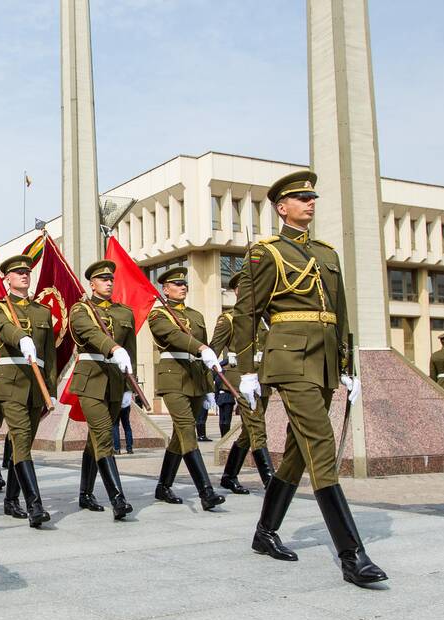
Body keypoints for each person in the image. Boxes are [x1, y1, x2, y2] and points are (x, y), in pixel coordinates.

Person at [231, 169, 386, 587]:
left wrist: (347, 366)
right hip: (290, 358)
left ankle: (264, 533)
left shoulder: (327, 253)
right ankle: (353, 555)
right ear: (283, 208)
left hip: (323, 361)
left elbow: (341, 311)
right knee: (321, 444)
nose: (310, 203)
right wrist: (247, 370)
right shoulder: (267, 253)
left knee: (298, 452)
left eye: (313, 198)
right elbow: (246, 313)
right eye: (302, 199)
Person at [146, 266, 226, 510]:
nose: (182, 287)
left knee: (180, 437)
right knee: (186, 429)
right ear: (165, 289)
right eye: (176, 284)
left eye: (184, 284)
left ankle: (163, 486)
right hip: (173, 378)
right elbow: (173, 337)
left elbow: (204, 347)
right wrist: (201, 348)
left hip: (195, 378)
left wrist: (209, 385)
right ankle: (206, 492)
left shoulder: (196, 315)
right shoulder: (159, 315)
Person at [0, 254, 58, 528]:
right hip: (12, 383)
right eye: (18, 273)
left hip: (35, 386)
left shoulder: (42, 311)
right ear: (7, 278)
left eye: (27, 272)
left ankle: (10, 500)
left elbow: (49, 355)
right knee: (20, 437)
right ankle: (35, 505)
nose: (24, 276)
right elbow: (3, 329)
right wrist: (22, 338)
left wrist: (50, 390)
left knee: (23, 445)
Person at [69, 259, 138, 520]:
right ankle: (118, 499)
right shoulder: (80, 309)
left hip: (115, 381)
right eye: (102, 279)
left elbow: (129, 350)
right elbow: (89, 333)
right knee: (104, 435)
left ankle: (85, 493)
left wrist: (131, 384)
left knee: (94, 441)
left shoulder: (124, 312)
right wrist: (113, 348)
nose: (108, 283)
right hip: (91, 380)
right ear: (92, 284)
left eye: (111, 279)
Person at [209, 272, 274, 494]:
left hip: (263, 378)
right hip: (239, 378)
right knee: (257, 427)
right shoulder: (228, 319)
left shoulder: (265, 319)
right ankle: (270, 481)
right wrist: (212, 385)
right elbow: (213, 351)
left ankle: (229, 476)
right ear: (237, 291)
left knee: (248, 431)